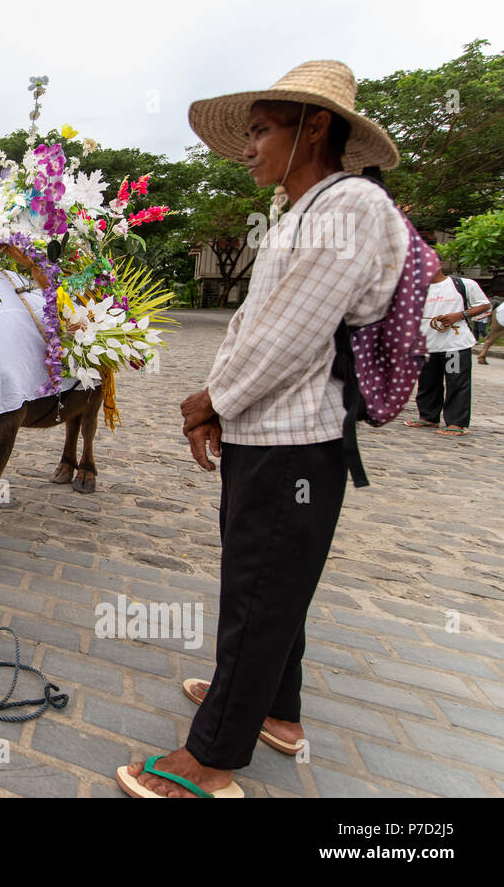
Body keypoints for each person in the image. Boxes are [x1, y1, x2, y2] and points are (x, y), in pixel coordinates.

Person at [117, 61, 408, 799]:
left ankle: (212, 757)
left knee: (259, 588)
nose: (247, 148)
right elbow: (261, 323)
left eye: (260, 130)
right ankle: (276, 708)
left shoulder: (348, 209)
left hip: (294, 439)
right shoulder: (304, 210)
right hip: (270, 430)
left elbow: (292, 335)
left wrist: (211, 398)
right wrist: (222, 401)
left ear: (315, 126)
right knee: (277, 583)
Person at [403, 259, 490, 435]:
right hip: (426, 345)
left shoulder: (462, 284)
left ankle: (456, 423)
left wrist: (460, 315)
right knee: (427, 382)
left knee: (456, 382)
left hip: (454, 345)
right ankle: (428, 417)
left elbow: (484, 305)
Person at [474, 297, 504, 364]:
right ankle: (482, 355)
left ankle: (482, 354)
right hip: (500, 314)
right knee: (493, 336)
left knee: (492, 336)